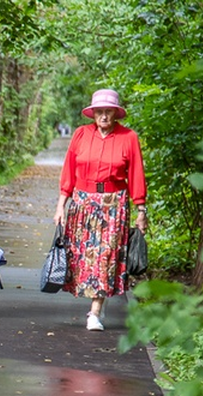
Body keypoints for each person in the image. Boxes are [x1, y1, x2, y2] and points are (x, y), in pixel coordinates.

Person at [53, 89, 148, 331]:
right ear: (92, 113)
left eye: (108, 111)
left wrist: (141, 209)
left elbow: (136, 174)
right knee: (85, 256)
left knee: (105, 255)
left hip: (114, 204)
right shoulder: (81, 135)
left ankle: (95, 310)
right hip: (83, 202)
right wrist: (61, 205)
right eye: (99, 111)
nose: (104, 116)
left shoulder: (129, 137)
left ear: (116, 114)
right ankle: (98, 295)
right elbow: (68, 170)